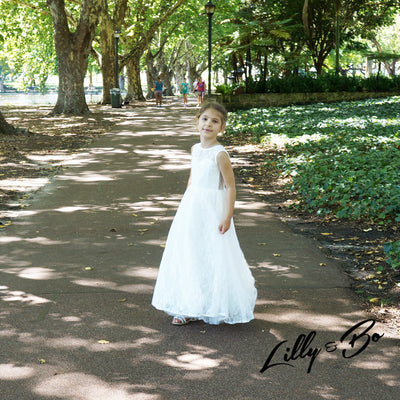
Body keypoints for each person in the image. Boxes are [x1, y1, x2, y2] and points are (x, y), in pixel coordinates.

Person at [152, 101, 257, 326]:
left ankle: (213, 302)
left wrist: (227, 216)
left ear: (222, 128)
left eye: (215, 121)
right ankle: (186, 305)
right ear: (197, 122)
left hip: (212, 209)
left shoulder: (220, 154)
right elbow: (192, 178)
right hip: (192, 207)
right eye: (205, 119)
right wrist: (185, 205)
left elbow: (230, 186)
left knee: (211, 252)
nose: (208, 124)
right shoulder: (195, 149)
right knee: (189, 252)